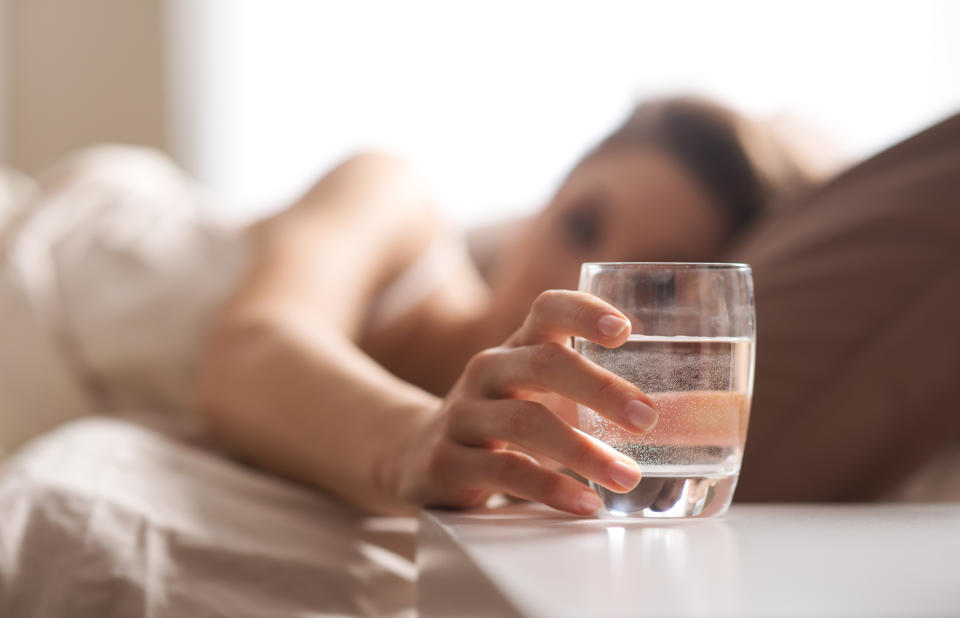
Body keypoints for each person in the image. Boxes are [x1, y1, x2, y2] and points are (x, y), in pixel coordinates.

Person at [191, 97, 816, 515]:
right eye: (580, 225)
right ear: (539, 207)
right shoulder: (395, 200)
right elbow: (249, 350)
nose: (582, 287)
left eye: (649, 287)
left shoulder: (548, 478)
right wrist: (410, 443)